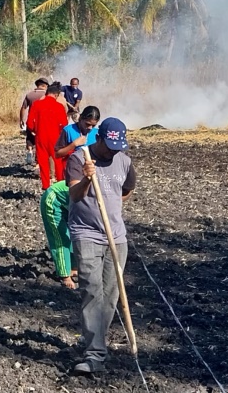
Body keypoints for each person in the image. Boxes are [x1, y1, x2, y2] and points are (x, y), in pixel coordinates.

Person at [66, 117, 136, 374]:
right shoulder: (79, 158)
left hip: (116, 237)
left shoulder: (125, 161)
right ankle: (94, 353)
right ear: (99, 138)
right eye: (109, 145)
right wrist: (87, 179)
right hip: (87, 234)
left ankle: (99, 344)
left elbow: (127, 190)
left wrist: (112, 203)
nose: (112, 151)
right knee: (92, 291)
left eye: (117, 146)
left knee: (111, 295)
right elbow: (74, 195)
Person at [26, 82, 68, 190]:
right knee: (58, 162)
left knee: (43, 163)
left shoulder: (36, 104)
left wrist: (35, 130)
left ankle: (46, 187)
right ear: (56, 95)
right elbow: (64, 124)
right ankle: (61, 186)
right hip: (56, 138)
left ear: (47, 93)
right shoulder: (59, 106)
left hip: (41, 137)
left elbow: (29, 123)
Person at [39, 180, 77, 289]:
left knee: (74, 234)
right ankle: (65, 274)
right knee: (61, 237)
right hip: (54, 200)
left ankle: (74, 267)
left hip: (69, 205)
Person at [55, 105, 100, 172]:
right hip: (72, 170)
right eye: (87, 124)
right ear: (81, 118)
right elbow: (57, 154)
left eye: (93, 125)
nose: (90, 128)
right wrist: (74, 144)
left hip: (91, 170)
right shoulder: (68, 130)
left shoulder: (97, 133)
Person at [20, 78, 49, 164]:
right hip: (43, 122)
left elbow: (23, 108)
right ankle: (38, 160)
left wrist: (22, 119)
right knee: (41, 141)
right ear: (44, 86)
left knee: (30, 138)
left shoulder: (30, 95)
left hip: (31, 121)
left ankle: (29, 150)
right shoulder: (47, 96)